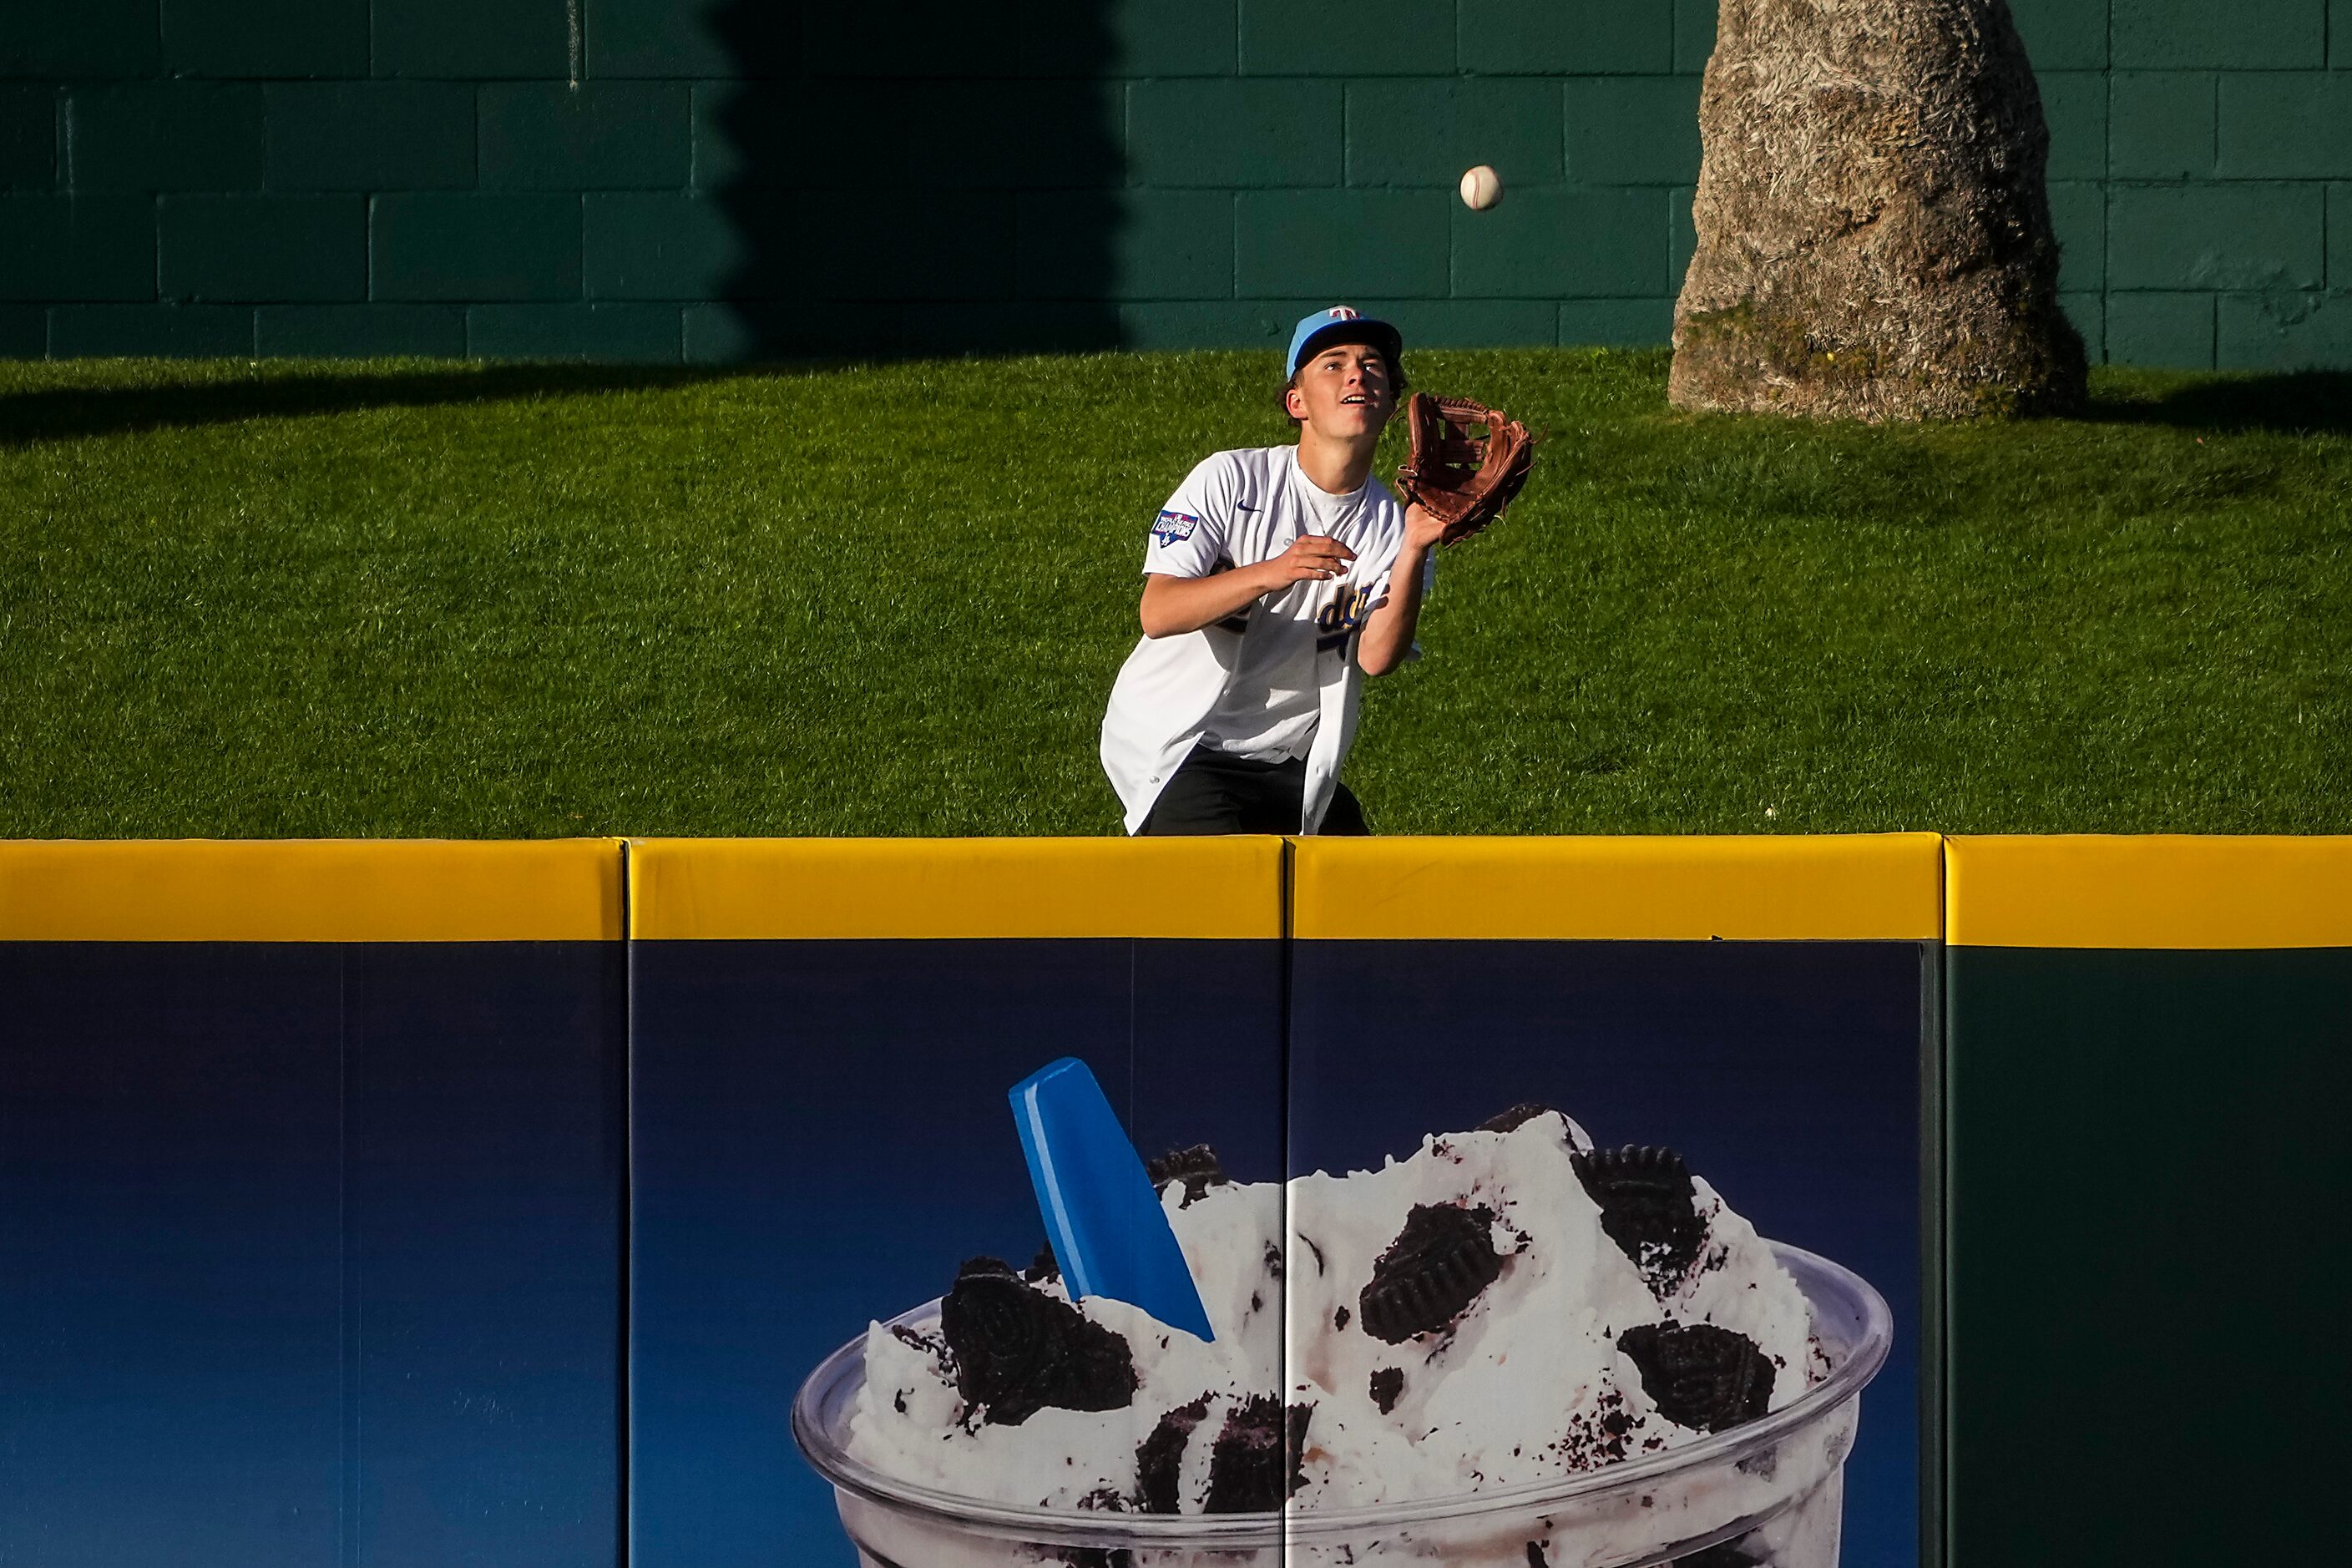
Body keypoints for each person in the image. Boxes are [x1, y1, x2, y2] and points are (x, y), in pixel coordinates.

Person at [1100, 306, 1446, 836]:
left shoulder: (1396, 527)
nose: (1357, 373)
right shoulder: (1230, 479)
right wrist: (1272, 571)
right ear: (1296, 402)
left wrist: (1416, 547)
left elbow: (1376, 658)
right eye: (1333, 364)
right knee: (1231, 907)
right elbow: (1158, 611)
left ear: (1392, 402)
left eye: (1372, 364)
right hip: (1180, 748)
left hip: (1291, 761)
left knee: (1360, 907)